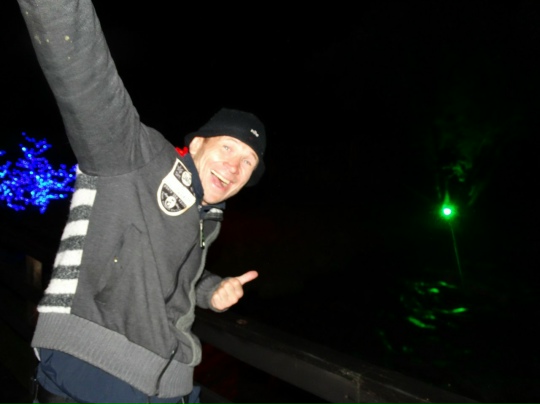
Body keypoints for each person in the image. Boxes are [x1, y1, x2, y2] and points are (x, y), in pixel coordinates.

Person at [16, 1, 266, 403]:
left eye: (248, 162)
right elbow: (86, 78)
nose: (235, 167)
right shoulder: (138, 157)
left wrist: (211, 289)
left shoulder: (205, 217)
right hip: (92, 366)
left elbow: (165, 274)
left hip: (168, 384)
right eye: (227, 147)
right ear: (196, 144)